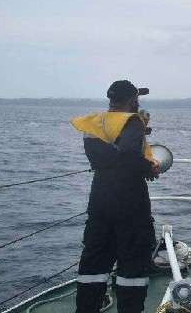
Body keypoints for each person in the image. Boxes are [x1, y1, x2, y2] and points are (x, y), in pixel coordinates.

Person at [70, 80, 160, 313]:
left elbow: (102, 158)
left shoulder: (95, 123)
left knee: (94, 262)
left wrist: (130, 163)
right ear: (132, 100)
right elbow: (129, 155)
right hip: (130, 200)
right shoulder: (133, 122)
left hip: (100, 197)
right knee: (132, 264)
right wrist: (148, 168)